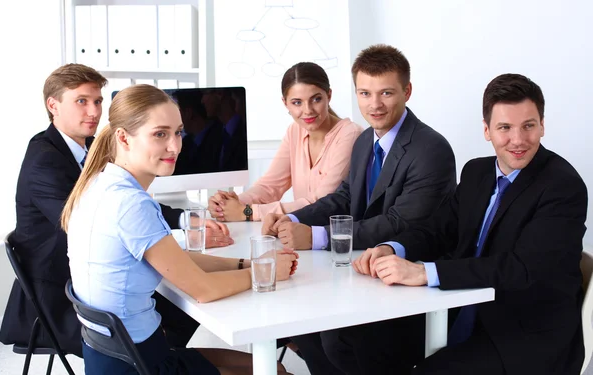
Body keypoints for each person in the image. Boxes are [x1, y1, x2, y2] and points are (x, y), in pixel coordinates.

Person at [353, 73, 587, 375]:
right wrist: (391, 247)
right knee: (360, 339)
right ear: (487, 130)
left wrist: (424, 272)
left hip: (524, 331)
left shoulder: (562, 186)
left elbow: (521, 269)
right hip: (459, 308)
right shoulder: (478, 172)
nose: (518, 140)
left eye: (528, 126)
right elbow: (439, 229)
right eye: (505, 127)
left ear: (542, 125)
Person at [60, 84, 298, 374]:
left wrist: (249, 263)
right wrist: (266, 272)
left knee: (270, 366)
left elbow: (174, 258)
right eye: (160, 134)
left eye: (178, 132)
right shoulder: (130, 204)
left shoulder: (99, 185)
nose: (175, 146)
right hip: (142, 365)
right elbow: (204, 290)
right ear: (123, 137)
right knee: (276, 371)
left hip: (116, 356)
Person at [0, 64, 232, 357]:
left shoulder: (93, 147)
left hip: (94, 282)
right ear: (53, 106)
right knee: (180, 306)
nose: (94, 112)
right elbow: (89, 219)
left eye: (97, 101)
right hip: (62, 296)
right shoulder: (44, 159)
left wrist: (187, 219)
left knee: (181, 301)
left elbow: (126, 202)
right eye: (81, 101)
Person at [263, 45, 458, 374]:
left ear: (407, 91)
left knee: (332, 335)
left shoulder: (430, 149)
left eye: (386, 93)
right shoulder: (366, 140)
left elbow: (400, 223)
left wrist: (318, 237)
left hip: (412, 288)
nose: (375, 104)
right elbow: (343, 197)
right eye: (365, 93)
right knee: (300, 323)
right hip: (364, 274)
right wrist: (292, 219)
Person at [208, 62, 363, 222]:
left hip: (335, 237)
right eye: (297, 102)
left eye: (316, 99)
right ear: (285, 103)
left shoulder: (350, 134)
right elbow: (270, 186)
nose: (308, 110)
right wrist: (230, 203)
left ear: (328, 96)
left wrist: (247, 212)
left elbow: (321, 203)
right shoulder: (295, 131)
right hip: (298, 232)